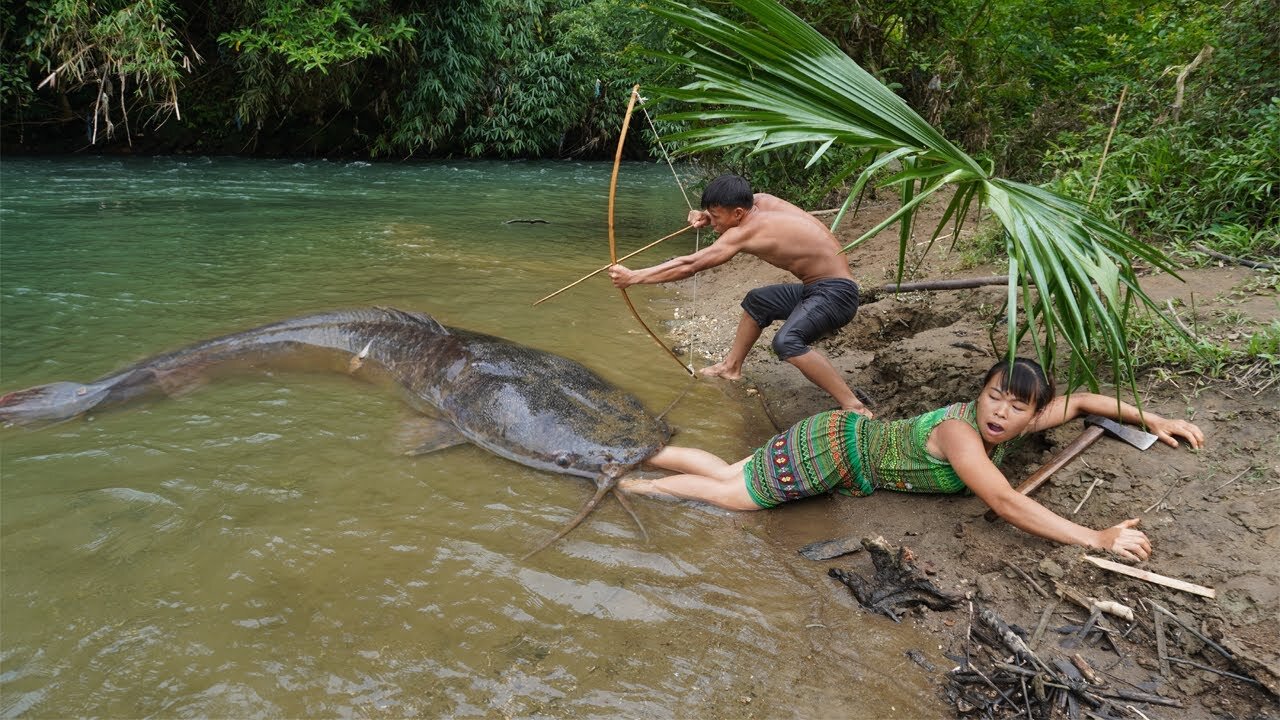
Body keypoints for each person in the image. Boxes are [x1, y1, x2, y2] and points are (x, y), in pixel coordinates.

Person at [620, 358, 1205, 561]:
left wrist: (1155, 419)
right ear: (980, 394)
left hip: (839, 436)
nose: (1000, 412)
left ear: (1033, 413)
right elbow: (1002, 500)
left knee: (730, 470)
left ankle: (638, 455)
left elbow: (1081, 401)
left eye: (1016, 406)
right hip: (832, 452)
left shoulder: (1025, 415)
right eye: (993, 396)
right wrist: (1094, 538)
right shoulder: (960, 432)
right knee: (732, 495)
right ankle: (633, 486)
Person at [607, 174, 873, 417]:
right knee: (758, 301)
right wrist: (706, 215)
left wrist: (634, 277)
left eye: (717, 217)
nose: (714, 224)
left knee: (786, 342)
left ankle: (852, 404)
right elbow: (738, 209)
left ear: (737, 213)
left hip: (836, 296)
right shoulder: (762, 202)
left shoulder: (745, 232)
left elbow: (690, 265)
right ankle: (730, 367)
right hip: (820, 289)